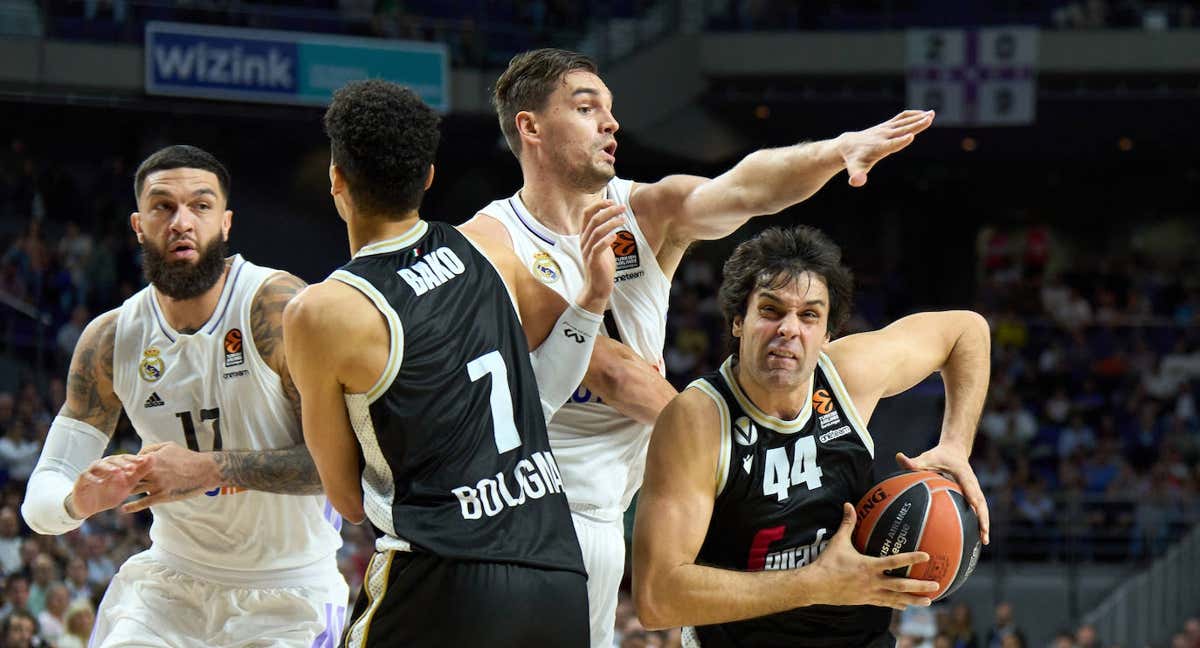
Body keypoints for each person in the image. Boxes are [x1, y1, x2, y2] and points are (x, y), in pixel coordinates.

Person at [465, 47, 938, 648]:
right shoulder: (490, 241)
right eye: (587, 109)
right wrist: (739, 451)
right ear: (529, 127)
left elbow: (743, 190)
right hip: (525, 508)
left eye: (610, 110)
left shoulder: (644, 211)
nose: (611, 123)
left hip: (606, 516)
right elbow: (614, 374)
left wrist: (835, 150)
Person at [285, 80, 624, 647]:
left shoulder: (322, 311)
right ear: (429, 176)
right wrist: (589, 304)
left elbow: (344, 499)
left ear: (336, 181)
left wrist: (437, 493)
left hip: (444, 579)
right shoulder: (490, 251)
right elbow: (539, 399)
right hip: (556, 577)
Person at [19, 145, 347, 647]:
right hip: (170, 586)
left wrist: (210, 468)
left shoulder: (278, 309)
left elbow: (341, 468)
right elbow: (40, 501)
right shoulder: (111, 339)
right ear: (137, 224)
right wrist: (75, 501)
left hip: (286, 590)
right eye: (163, 206)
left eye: (200, 205)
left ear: (226, 222)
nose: (181, 222)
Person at [632, 226, 992, 647]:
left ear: (826, 335)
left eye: (808, 316)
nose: (789, 329)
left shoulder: (847, 377)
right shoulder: (699, 419)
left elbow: (967, 331)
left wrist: (955, 446)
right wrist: (815, 584)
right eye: (770, 310)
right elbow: (657, 597)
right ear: (737, 320)